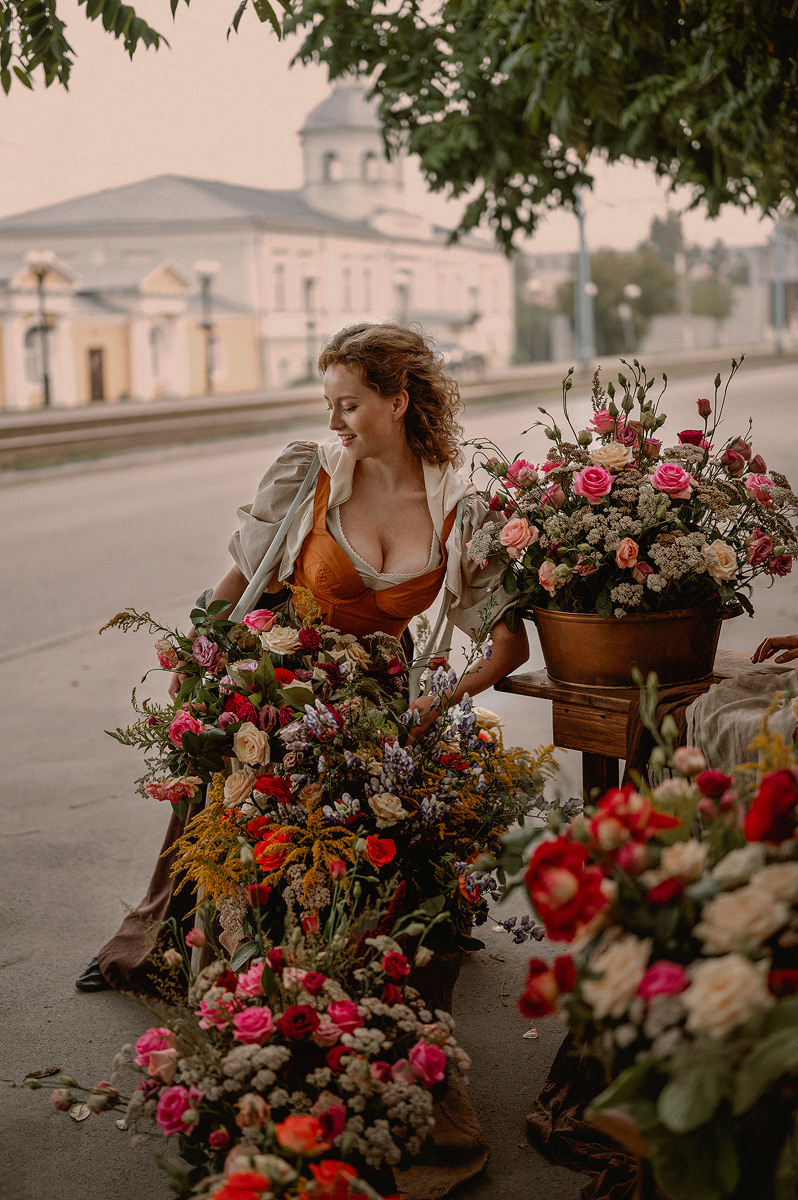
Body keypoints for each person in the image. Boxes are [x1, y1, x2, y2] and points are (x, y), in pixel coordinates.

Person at [76, 322, 529, 993]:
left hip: (380, 692)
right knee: (245, 794)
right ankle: (183, 945)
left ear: (398, 401)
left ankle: (334, 954)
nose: (334, 422)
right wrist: (200, 658)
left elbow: (508, 644)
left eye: (348, 405)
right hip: (281, 670)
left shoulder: (459, 506)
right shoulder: (309, 473)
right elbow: (242, 577)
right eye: (329, 405)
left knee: (359, 830)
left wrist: (441, 701)